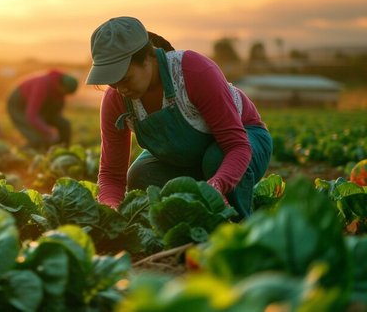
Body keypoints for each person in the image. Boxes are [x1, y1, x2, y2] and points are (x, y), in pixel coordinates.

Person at [86, 16, 272, 219]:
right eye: (112, 83)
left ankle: (237, 222)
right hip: (185, 158)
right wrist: (111, 210)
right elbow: (111, 175)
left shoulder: (193, 72)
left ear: (148, 58)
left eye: (125, 79)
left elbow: (237, 146)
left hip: (245, 141)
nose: (120, 89)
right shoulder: (117, 99)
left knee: (216, 159)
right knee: (140, 174)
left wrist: (217, 186)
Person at [7, 69, 78, 150]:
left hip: (37, 108)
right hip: (18, 104)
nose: (65, 95)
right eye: (65, 92)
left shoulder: (60, 92)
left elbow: (57, 114)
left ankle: (61, 150)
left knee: (64, 125)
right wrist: (48, 132)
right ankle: (18, 154)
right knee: (36, 139)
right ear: (61, 85)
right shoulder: (41, 86)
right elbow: (31, 115)